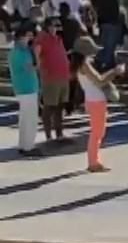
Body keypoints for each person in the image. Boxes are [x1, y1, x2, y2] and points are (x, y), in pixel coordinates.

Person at [74, 38, 120, 173]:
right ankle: (93, 162)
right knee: (97, 133)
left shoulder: (81, 65)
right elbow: (99, 82)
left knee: (97, 132)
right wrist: (115, 72)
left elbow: (97, 80)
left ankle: (94, 161)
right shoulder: (85, 65)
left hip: (92, 100)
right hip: (96, 101)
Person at [33, 17, 72, 145]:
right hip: (51, 77)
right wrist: (38, 63)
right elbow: (37, 49)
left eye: (56, 25)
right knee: (49, 106)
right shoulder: (43, 37)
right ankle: (48, 135)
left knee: (60, 106)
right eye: (52, 25)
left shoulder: (58, 39)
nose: (55, 27)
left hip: (63, 77)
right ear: (47, 26)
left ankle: (59, 134)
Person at [9, 22, 41, 158]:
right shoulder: (18, 52)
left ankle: (23, 144)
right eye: (28, 36)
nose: (30, 38)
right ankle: (28, 146)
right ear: (21, 37)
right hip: (25, 88)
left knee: (24, 119)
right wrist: (37, 56)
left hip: (27, 87)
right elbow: (31, 68)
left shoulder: (24, 50)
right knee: (30, 119)